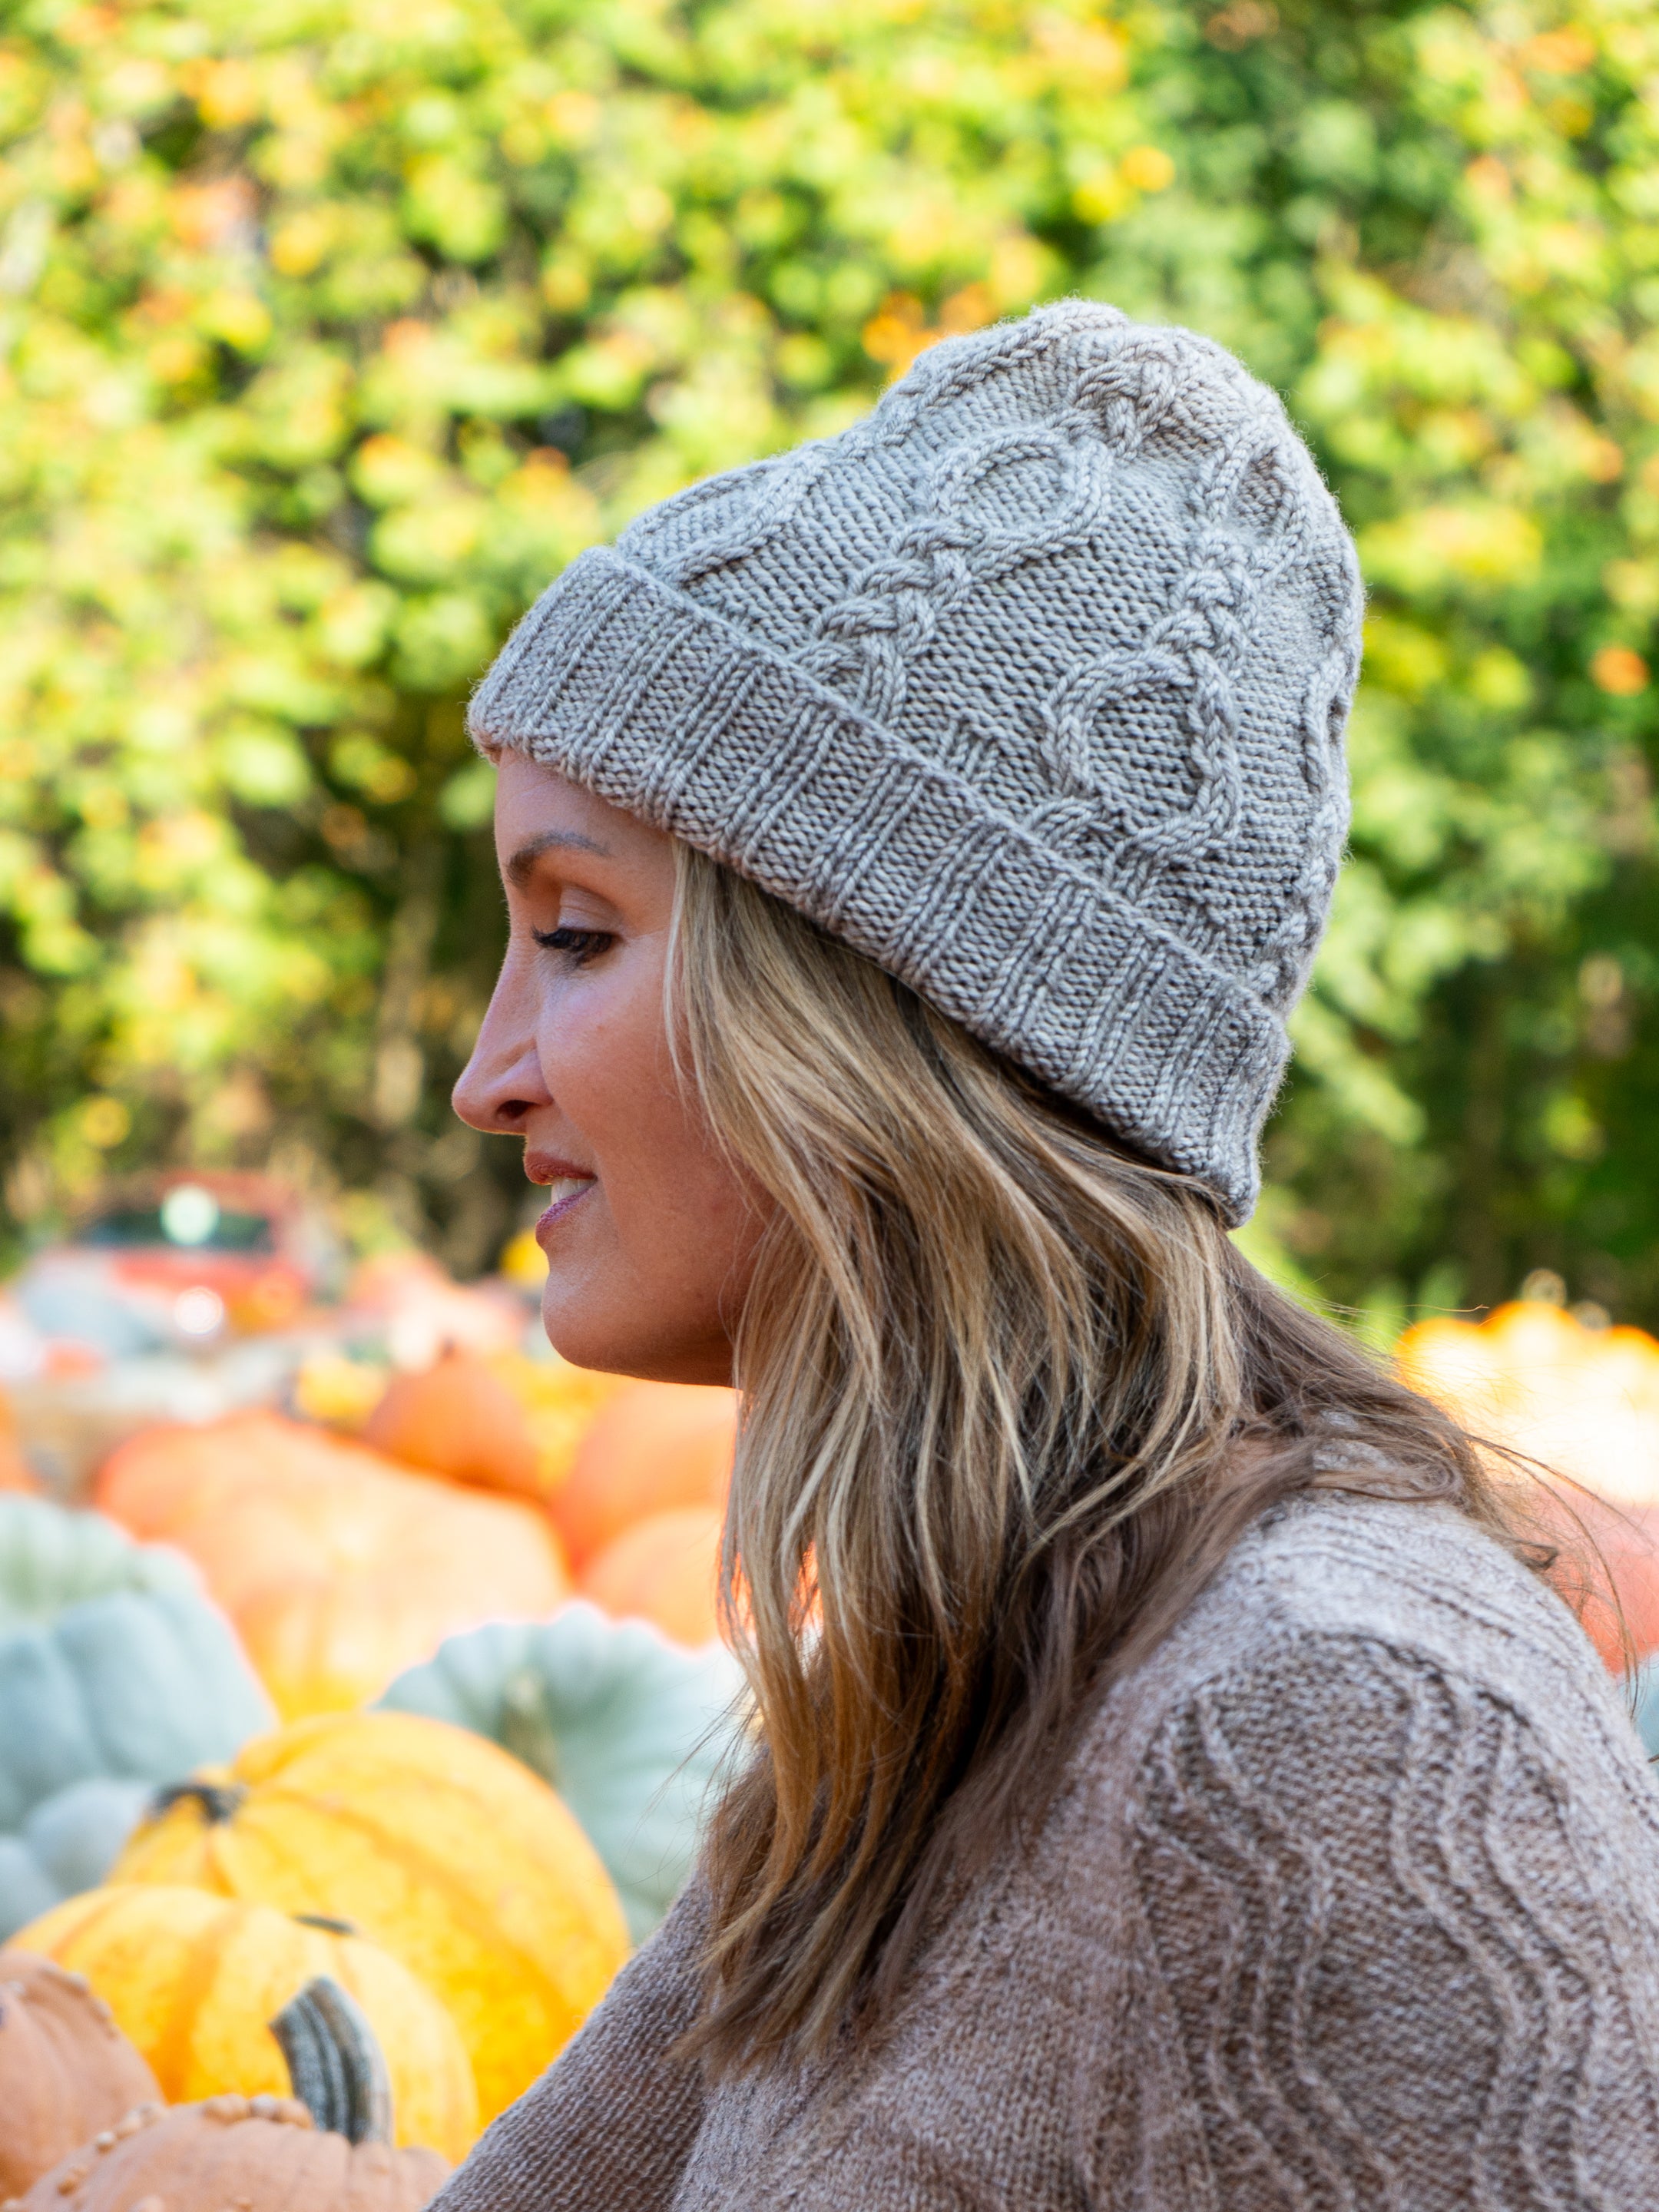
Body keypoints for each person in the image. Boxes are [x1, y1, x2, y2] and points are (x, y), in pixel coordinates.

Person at [442, 302, 1659, 2210]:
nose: (483, 1076)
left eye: (578, 933)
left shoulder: (1341, 1728)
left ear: (882, 1012)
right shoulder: (939, 1697)